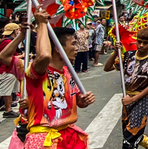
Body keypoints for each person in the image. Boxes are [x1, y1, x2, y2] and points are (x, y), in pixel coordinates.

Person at [24, 10, 96, 148]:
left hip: (67, 136)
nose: (77, 48)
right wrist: (41, 25)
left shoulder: (67, 72)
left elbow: (76, 102)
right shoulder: (38, 71)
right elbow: (44, 56)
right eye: (73, 44)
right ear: (58, 48)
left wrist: (83, 101)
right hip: (44, 139)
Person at [105, 28, 148, 149]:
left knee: (130, 137)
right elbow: (107, 68)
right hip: (127, 99)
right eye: (139, 41)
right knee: (132, 134)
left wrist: (133, 100)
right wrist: (116, 52)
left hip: (141, 100)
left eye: (145, 43)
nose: (141, 45)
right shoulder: (128, 55)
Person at [0, 22, 21, 125]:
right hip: (6, 70)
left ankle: (8, 110)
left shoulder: (5, 41)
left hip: (8, 70)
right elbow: (8, 57)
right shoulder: (8, 42)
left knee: (8, 91)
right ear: (14, 31)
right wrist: (23, 56)